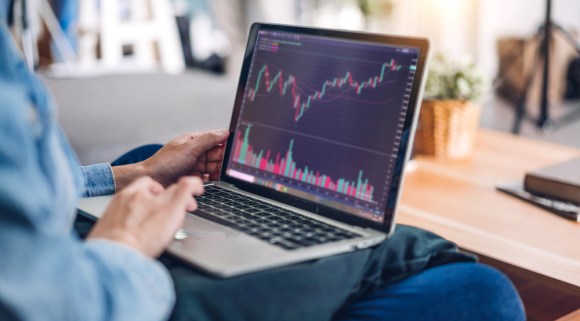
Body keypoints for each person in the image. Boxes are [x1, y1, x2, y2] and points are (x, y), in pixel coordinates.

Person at [0, 7, 525, 321]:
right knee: (481, 292)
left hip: (60, 261)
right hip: (98, 291)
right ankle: (365, 254)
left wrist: (127, 177)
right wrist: (124, 250)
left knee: (155, 165)